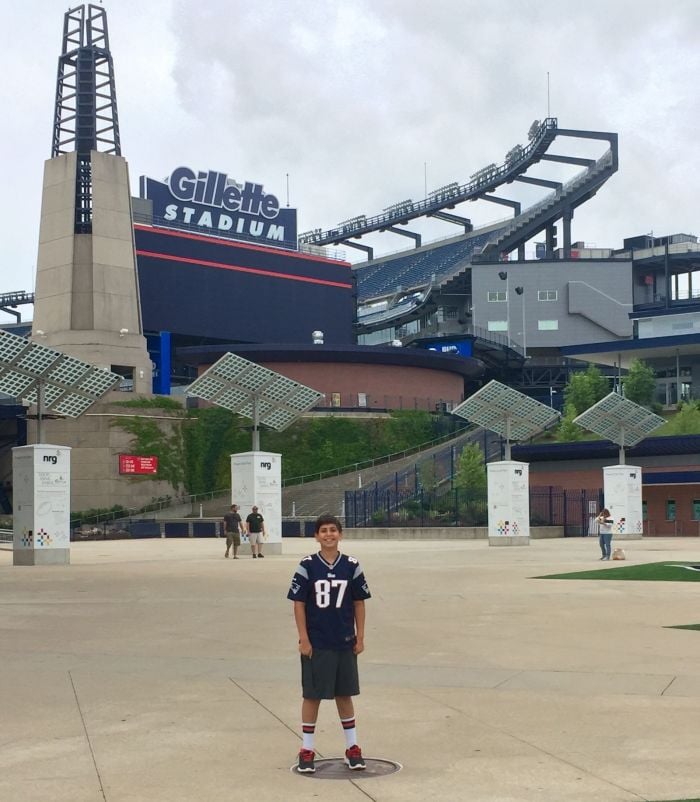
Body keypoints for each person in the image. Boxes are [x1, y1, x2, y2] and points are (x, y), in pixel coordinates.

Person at [287, 513, 371, 774]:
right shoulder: (307, 565)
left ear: (340, 534)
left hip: (344, 640)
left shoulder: (352, 565)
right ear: (316, 536)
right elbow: (299, 603)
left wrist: (360, 635)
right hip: (318, 641)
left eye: (333, 530)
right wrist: (303, 637)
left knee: (344, 694)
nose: (329, 535)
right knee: (312, 695)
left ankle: (352, 747)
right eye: (323, 531)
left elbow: (359, 601)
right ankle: (307, 749)